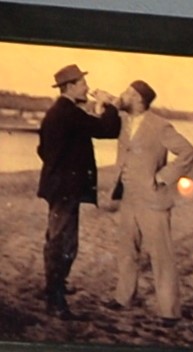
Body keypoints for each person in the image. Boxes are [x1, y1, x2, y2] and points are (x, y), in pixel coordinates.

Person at [101, 79, 193, 321]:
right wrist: (105, 100)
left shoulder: (160, 126)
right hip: (128, 198)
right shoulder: (124, 120)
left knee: (161, 256)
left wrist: (163, 177)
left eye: (127, 92)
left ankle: (169, 312)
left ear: (138, 98)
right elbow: (113, 105)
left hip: (154, 200)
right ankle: (123, 298)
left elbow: (188, 152)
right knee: (127, 251)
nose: (122, 94)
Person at [34, 64, 120, 315]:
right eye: (83, 83)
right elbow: (108, 130)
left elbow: (42, 150)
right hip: (65, 189)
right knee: (64, 243)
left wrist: (59, 168)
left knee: (57, 238)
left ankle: (54, 287)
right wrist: (109, 105)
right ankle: (55, 300)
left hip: (57, 186)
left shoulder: (58, 111)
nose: (87, 88)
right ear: (70, 87)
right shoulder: (69, 113)